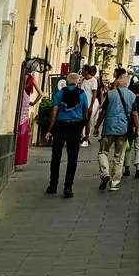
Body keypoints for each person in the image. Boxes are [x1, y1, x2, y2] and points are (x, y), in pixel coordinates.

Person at [46, 70, 89, 198]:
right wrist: (85, 127)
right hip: (75, 126)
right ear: (77, 82)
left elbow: (54, 112)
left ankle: (53, 185)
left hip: (60, 126)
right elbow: (86, 112)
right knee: (72, 157)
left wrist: (50, 128)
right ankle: (68, 187)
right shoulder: (82, 95)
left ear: (66, 81)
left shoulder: (59, 93)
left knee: (56, 156)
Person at [95, 69, 137, 191]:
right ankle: (114, 183)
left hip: (108, 127)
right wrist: (137, 128)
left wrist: (97, 126)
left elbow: (103, 112)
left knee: (103, 152)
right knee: (119, 157)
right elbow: (134, 114)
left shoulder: (111, 94)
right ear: (128, 83)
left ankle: (105, 173)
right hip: (123, 129)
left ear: (118, 82)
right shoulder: (132, 96)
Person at [15, 73, 39, 167]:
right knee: (23, 135)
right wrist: (33, 103)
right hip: (25, 108)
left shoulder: (20, 77)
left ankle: (16, 158)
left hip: (19, 106)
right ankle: (20, 159)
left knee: (18, 134)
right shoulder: (31, 79)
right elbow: (41, 93)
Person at [79, 64, 99, 147]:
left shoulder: (93, 80)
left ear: (86, 71)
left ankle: (86, 138)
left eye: (83, 70)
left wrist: (91, 106)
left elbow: (94, 94)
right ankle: (82, 136)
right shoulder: (83, 80)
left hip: (89, 103)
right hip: (82, 103)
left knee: (88, 121)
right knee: (82, 121)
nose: (82, 71)